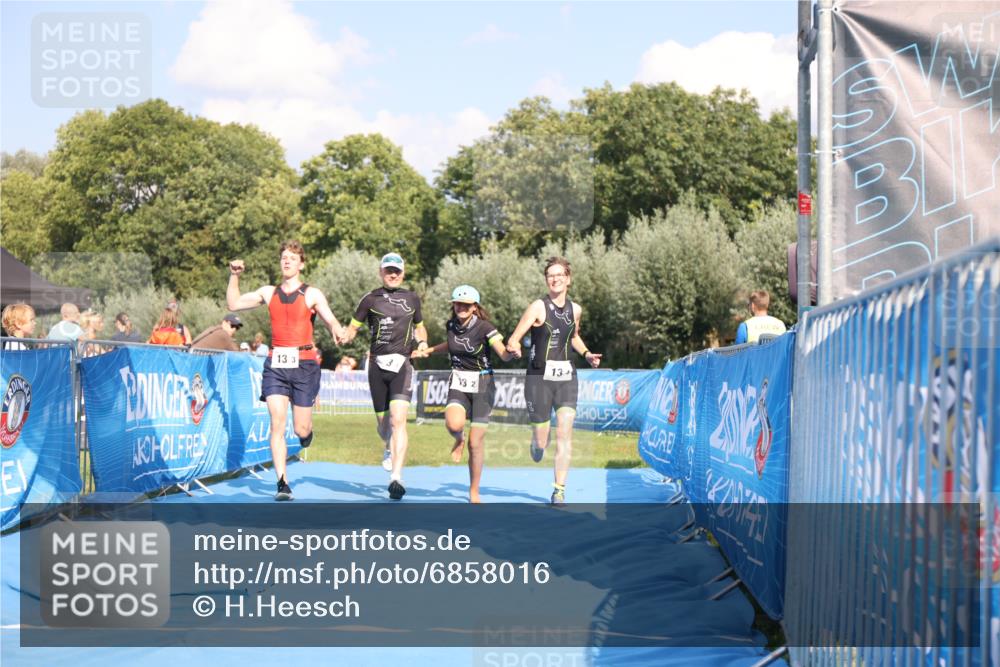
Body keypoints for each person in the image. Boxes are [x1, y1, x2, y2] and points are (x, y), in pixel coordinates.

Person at [227, 240, 346, 501]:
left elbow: (330, 318)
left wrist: (337, 331)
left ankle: (306, 435)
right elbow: (233, 304)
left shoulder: (311, 293)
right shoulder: (269, 292)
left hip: (304, 364)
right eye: (283, 257)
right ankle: (282, 482)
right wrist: (234, 276)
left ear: (301, 264)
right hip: (276, 365)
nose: (287, 261)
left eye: (292, 257)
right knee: (277, 423)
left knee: (300, 429)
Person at [506, 256, 602, 505]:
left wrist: (587, 354)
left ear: (568, 279)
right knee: (542, 441)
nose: (555, 278)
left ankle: (559, 490)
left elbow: (574, 337)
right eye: (551, 275)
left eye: (560, 274)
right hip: (538, 379)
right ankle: (536, 443)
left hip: (566, 377)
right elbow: (515, 337)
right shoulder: (538, 307)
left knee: (565, 433)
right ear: (547, 280)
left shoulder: (576, 309)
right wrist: (514, 345)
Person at [412, 285, 515, 503]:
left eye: (466, 305)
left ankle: (474, 491)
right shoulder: (451, 325)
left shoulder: (485, 327)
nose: (461, 308)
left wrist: (511, 353)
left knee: (475, 444)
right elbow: (451, 345)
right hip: (458, 381)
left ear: (474, 307)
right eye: (457, 304)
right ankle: (458, 438)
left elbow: (503, 354)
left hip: (483, 385)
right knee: (453, 425)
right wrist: (428, 350)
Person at [340, 252, 427, 501]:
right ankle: (387, 447)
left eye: (397, 270)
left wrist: (422, 342)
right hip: (377, 366)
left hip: (403, 364)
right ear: (380, 272)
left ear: (403, 272)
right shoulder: (369, 299)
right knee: (383, 425)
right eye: (388, 270)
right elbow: (352, 328)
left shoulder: (412, 298)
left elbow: (420, 327)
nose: (393, 274)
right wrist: (343, 336)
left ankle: (396, 478)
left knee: (398, 420)